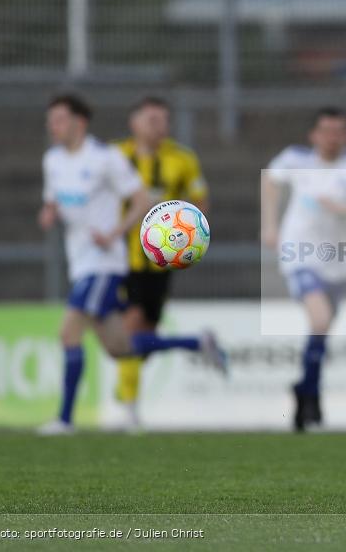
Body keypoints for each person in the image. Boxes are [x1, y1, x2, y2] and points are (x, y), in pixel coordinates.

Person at [37, 94, 225, 435]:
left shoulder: (106, 158)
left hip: (106, 263)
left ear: (79, 123)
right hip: (81, 263)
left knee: (69, 332)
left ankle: (66, 421)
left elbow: (143, 200)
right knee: (122, 346)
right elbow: (54, 198)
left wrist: (115, 232)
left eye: (60, 119)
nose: (53, 126)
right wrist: (49, 212)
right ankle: (197, 343)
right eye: (51, 120)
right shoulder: (53, 160)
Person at [261, 107, 346, 432]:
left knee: (321, 330)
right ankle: (312, 395)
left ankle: (305, 389)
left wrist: (343, 207)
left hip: (338, 262)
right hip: (299, 253)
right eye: (326, 131)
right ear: (314, 135)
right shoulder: (295, 158)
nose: (332, 138)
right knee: (318, 320)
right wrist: (270, 225)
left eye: (339, 131)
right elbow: (270, 180)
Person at [113, 96, 226, 429]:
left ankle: (195, 343)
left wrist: (179, 226)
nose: (158, 125)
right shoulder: (116, 157)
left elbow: (200, 205)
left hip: (161, 265)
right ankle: (131, 411)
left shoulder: (182, 159)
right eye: (151, 119)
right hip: (122, 261)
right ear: (134, 123)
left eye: (163, 119)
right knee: (128, 332)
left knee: (143, 344)